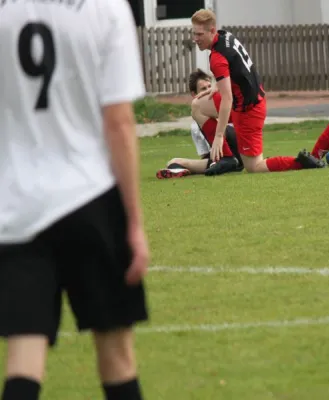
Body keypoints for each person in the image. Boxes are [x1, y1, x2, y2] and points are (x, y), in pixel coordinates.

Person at [0, 1, 149, 400]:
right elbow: (118, 122)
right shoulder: (106, 9)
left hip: (18, 207)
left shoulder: (8, 11)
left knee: (23, 359)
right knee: (118, 358)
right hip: (92, 199)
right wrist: (134, 222)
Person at [191, 9, 326, 174]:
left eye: (199, 34)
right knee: (198, 106)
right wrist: (217, 85)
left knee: (254, 167)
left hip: (247, 110)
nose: (195, 39)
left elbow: (227, 100)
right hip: (251, 100)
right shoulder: (225, 35)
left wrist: (219, 136)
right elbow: (236, 67)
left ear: (212, 31)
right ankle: (227, 158)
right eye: (194, 34)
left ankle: (299, 162)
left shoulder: (217, 58)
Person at [156, 69, 243, 179]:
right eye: (203, 89)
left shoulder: (222, 105)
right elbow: (205, 155)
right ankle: (181, 169)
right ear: (194, 94)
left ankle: (227, 160)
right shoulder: (195, 126)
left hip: (239, 151)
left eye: (209, 87)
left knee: (224, 131)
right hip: (219, 159)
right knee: (173, 162)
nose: (208, 91)